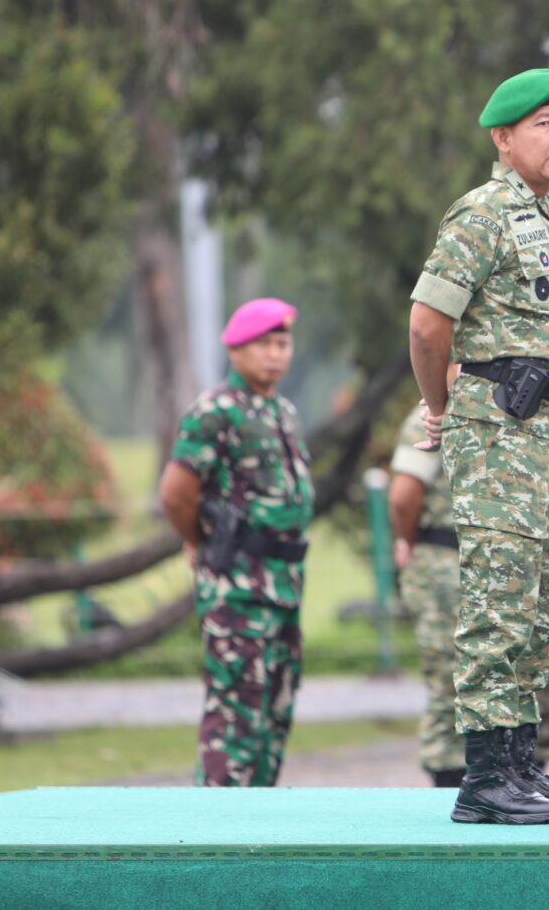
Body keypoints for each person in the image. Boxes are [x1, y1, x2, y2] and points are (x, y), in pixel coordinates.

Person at [406, 66, 549, 825]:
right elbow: (427, 323)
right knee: (499, 600)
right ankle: (485, 779)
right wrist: (441, 405)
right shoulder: (484, 213)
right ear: (503, 137)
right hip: (498, 435)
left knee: (538, 600)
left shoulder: (541, 216)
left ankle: (520, 762)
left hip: (543, 435)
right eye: (545, 123)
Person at [158, 297, 313, 788]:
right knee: (235, 716)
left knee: (274, 712)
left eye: (283, 344)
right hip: (238, 586)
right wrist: (196, 541)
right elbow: (176, 493)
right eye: (264, 344)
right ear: (237, 349)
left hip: (284, 586)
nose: (275, 354)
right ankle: (219, 837)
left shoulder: (281, 410)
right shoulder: (216, 410)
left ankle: (259, 835)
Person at [388, 395, 464, 787]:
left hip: (472, 560)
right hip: (441, 558)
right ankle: (446, 776)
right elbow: (403, 497)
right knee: (448, 677)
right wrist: (408, 540)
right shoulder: (430, 416)